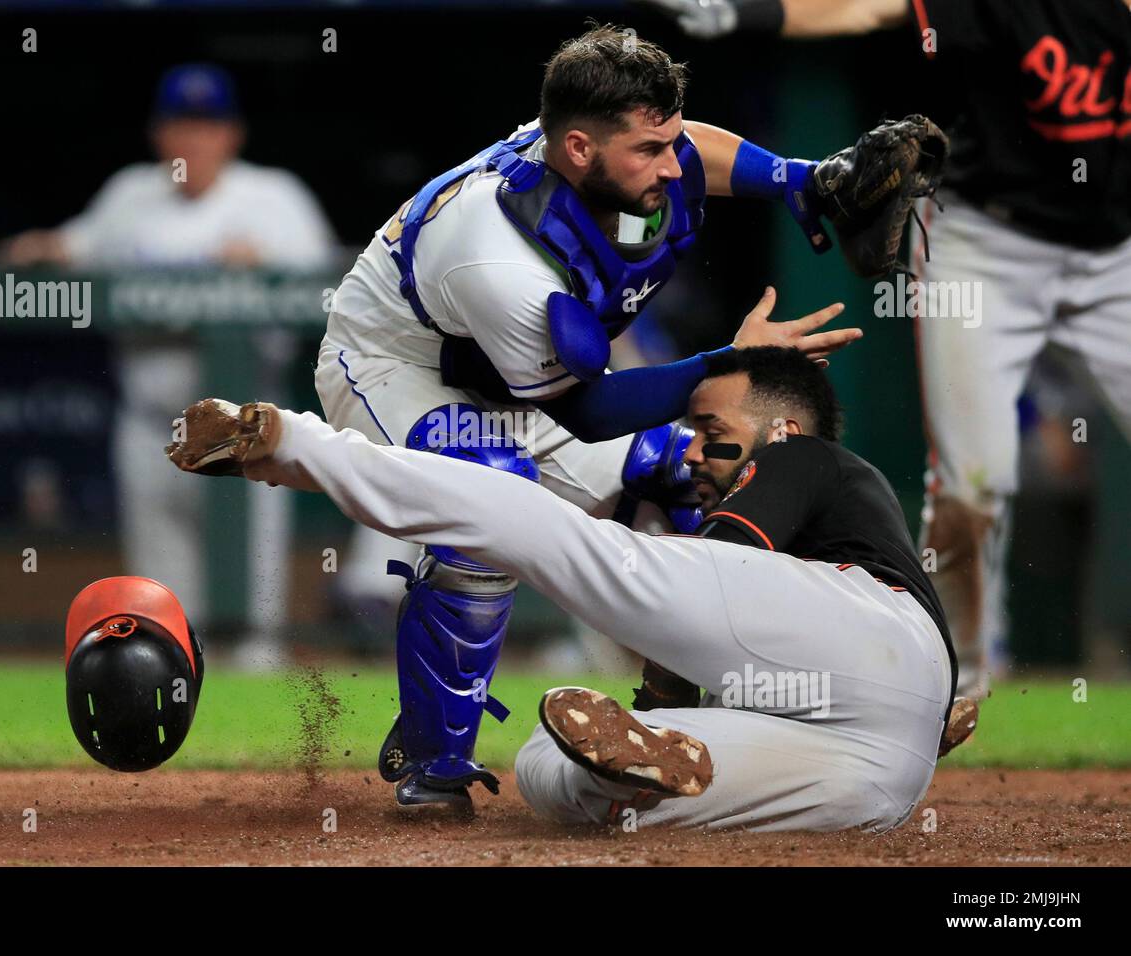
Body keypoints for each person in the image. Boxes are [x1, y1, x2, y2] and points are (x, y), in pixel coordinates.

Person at [314, 24, 868, 811]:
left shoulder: (602, 151)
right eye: (650, 149)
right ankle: (433, 760)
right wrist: (729, 366)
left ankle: (709, 712)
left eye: (669, 140)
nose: (673, 165)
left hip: (511, 374)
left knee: (695, 469)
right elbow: (592, 409)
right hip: (395, 367)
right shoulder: (495, 254)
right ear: (577, 149)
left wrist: (796, 178)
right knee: (490, 500)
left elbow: (688, 148)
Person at [165, 345, 960, 832]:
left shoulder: (803, 458)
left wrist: (663, 681)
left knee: (544, 526)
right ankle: (640, 773)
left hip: (864, 627)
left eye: (713, 437)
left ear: (779, 431)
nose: (693, 455)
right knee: (557, 773)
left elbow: (692, 596)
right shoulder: (843, 517)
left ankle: (291, 443)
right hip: (883, 764)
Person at [638, 0, 1131, 700]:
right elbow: (868, 7)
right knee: (973, 481)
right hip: (991, 245)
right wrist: (749, 14)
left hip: (1117, 253)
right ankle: (955, 675)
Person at [1, 63, 338, 668]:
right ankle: (182, 736)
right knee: (163, 609)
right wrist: (37, 247)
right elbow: (72, 246)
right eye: (181, 125)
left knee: (254, 619)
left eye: (207, 125)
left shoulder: (273, 198)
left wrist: (263, 267)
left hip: (246, 427)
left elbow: (326, 290)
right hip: (151, 422)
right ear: (160, 134)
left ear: (231, 133)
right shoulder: (130, 195)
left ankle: (257, 746)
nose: (193, 139)